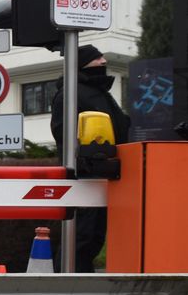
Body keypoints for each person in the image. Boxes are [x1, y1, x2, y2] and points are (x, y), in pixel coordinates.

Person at [50, 44, 130, 272]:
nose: (103, 61)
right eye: (96, 58)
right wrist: (84, 162)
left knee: (92, 236)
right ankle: (67, 284)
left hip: (103, 173)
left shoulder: (98, 92)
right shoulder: (71, 93)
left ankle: (79, 280)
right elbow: (63, 132)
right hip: (85, 174)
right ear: (82, 63)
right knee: (82, 236)